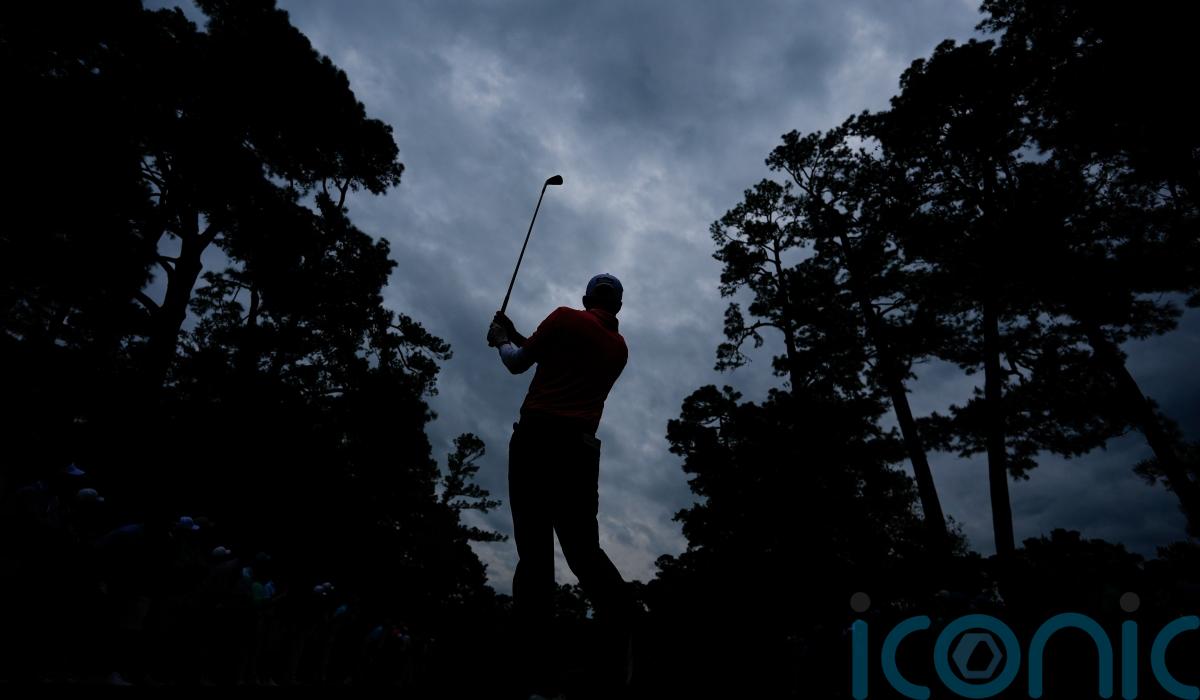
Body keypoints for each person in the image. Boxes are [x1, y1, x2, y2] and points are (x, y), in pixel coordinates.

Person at [487, 273, 636, 697]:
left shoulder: (564, 318)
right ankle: (624, 629)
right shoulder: (619, 348)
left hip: (536, 441)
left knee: (535, 556)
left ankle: (536, 676)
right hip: (579, 452)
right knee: (584, 553)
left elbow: (518, 362)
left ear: (586, 298)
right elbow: (554, 356)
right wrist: (514, 333)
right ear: (617, 307)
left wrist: (501, 339)